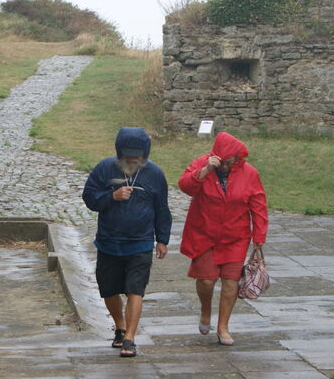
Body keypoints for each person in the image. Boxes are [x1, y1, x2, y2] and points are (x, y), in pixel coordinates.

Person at [82, 127, 172, 358]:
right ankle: (120, 327)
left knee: (135, 290)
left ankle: (130, 338)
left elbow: (162, 208)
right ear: (119, 151)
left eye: (137, 155)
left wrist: (162, 239)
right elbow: (90, 198)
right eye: (128, 155)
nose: (132, 159)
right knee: (109, 290)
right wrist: (111, 196)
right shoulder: (104, 169)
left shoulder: (155, 174)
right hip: (109, 241)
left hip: (140, 242)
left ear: (146, 153)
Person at [178, 132, 267, 346]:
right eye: (222, 161)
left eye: (230, 161)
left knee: (230, 281)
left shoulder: (249, 173)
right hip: (204, 232)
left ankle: (223, 327)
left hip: (235, 236)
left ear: (237, 158)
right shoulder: (202, 164)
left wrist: (259, 235)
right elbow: (185, 187)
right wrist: (205, 170)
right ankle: (205, 310)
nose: (225, 165)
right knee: (206, 280)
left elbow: (258, 204)